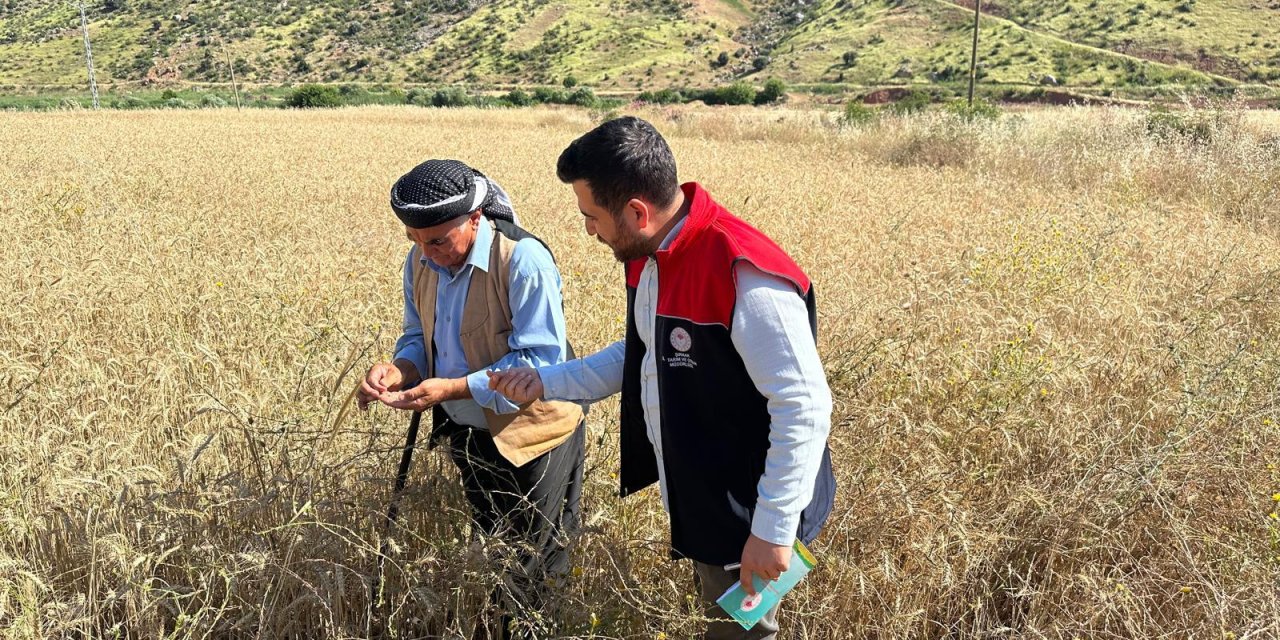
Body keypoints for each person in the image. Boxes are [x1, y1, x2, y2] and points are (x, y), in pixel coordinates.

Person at [488, 117, 835, 640]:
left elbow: (804, 404)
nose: (588, 230)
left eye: (591, 215)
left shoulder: (740, 268)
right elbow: (641, 354)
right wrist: (545, 382)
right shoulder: (652, 256)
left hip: (753, 511)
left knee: (744, 634)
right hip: (716, 503)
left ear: (636, 212)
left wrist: (771, 531)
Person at [357, 159, 585, 637]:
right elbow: (418, 334)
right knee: (494, 547)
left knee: (535, 563)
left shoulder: (522, 259)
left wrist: (453, 388)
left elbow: (537, 365)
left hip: (534, 433)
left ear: (477, 217)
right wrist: (399, 370)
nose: (428, 253)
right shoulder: (421, 258)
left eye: (439, 240)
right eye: (416, 240)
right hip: (466, 430)